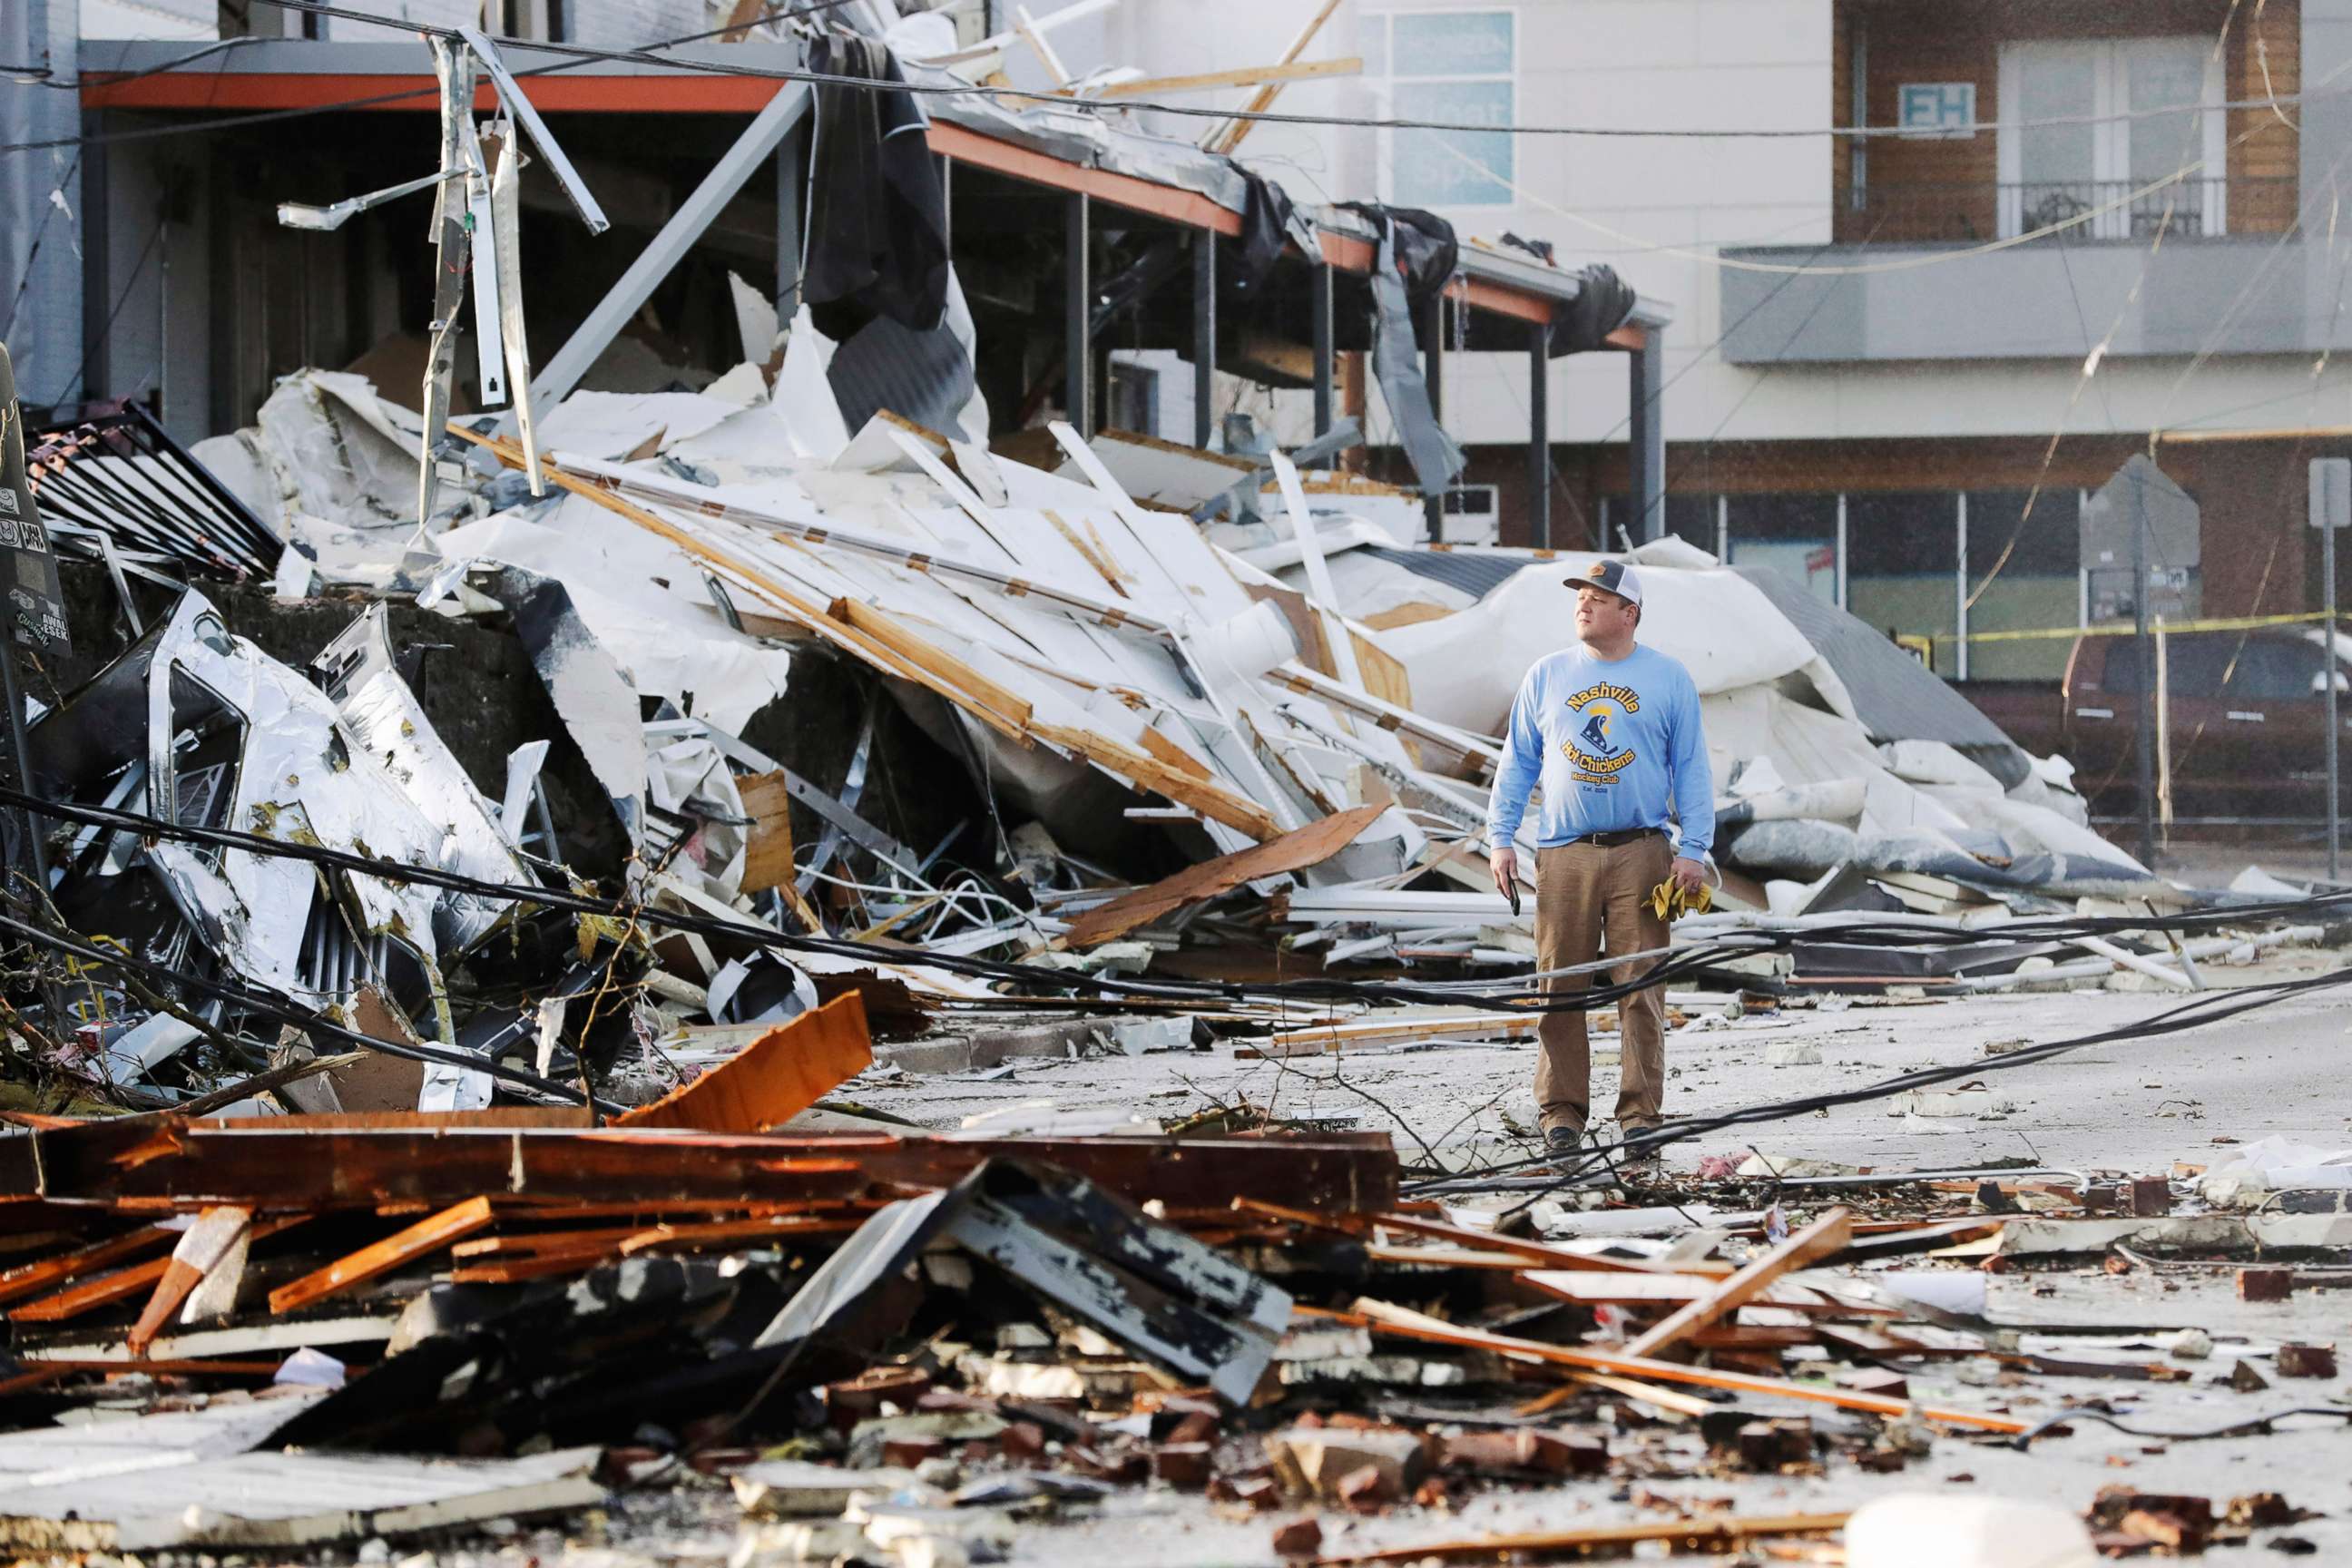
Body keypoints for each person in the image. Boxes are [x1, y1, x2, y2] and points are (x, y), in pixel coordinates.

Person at [1485, 559, 1714, 1160]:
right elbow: (1518, 761)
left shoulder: (1667, 678)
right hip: (1564, 854)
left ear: (1629, 613)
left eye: (1599, 598)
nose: (1583, 605)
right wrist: (1500, 836)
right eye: (1580, 597)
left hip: (1641, 851)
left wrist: (1693, 849)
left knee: (1641, 989)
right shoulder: (1548, 675)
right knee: (1559, 986)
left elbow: (1692, 767)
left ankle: (1640, 1116)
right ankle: (1562, 1114)